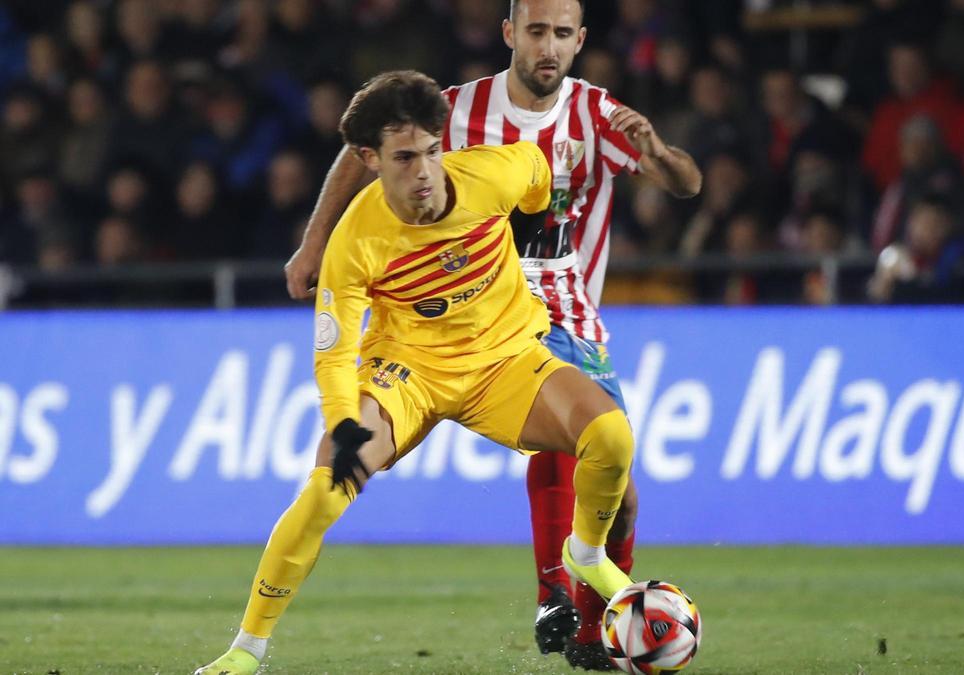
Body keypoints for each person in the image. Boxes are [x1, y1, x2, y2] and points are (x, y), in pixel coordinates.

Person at [282, 0, 701, 668]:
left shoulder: (596, 114)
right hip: (478, 310)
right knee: (572, 446)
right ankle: (562, 600)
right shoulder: (455, 110)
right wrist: (314, 243)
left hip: (572, 305)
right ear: (510, 33)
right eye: (536, 31)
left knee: (622, 493)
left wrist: (656, 150)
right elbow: (359, 157)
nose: (548, 47)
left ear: (580, 41)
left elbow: (685, 183)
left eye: (563, 35)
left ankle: (584, 619)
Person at [195, 70, 639, 675]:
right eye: (404, 157)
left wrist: (534, 226)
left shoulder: (491, 172)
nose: (424, 170)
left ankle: (583, 552)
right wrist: (342, 419)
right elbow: (332, 351)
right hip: (409, 374)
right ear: (368, 159)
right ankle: (246, 649)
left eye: (432, 150)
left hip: (506, 358)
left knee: (612, 437)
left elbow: (537, 175)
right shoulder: (354, 240)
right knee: (325, 490)